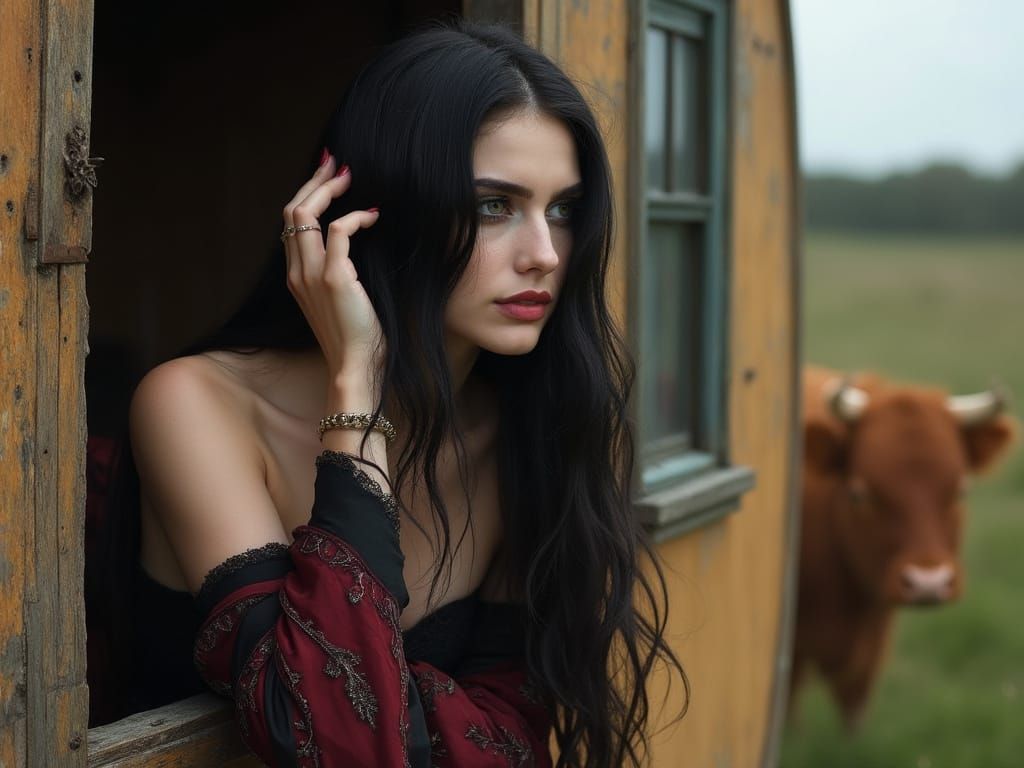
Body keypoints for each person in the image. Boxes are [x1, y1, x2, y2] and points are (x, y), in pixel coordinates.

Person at [94, 20, 686, 767]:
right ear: (372, 209)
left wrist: (407, 704)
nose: (544, 254)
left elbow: (511, 733)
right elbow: (337, 738)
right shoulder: (195, 404)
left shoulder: (524, 429)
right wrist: (357, 394)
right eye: (493, 206)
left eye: (563, 210)